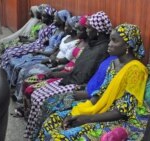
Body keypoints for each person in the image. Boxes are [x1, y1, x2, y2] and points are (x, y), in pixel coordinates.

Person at [35, 23, 148, 141]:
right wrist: (85, 108)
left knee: (61, 137)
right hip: (100, 109)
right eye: (110, 40)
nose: (109, 44)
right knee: (51, 122)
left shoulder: (136, 70)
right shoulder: (114, 63)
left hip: (114, 119)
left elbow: (123, 111)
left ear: (127, 46)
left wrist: (86, 118)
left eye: (114, 41)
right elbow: (101, 92)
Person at [24, 11, 112, 139]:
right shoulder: (92, 44)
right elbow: (77, 67)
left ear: (98, 31)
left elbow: (85, 74)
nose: (87, 31)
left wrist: (67, 78)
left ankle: (36, 135)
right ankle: (32, 134)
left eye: (89, 28)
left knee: (42, 99)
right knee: (37, 94)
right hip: (72, 77)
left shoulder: (102, 49)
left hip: (79, 83)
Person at [0, 5, 57, 79]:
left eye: (44, 16)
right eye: (42, 16)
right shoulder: (45, 26)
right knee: (8, 51)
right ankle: (3, 74)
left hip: (39, 47)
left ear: (50, 17)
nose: (42, 18)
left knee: (11, 53)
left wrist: (42, 45)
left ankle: (7, 77)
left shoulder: (53, 28)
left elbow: (49, 43)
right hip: (35, 44)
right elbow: (38, 38)